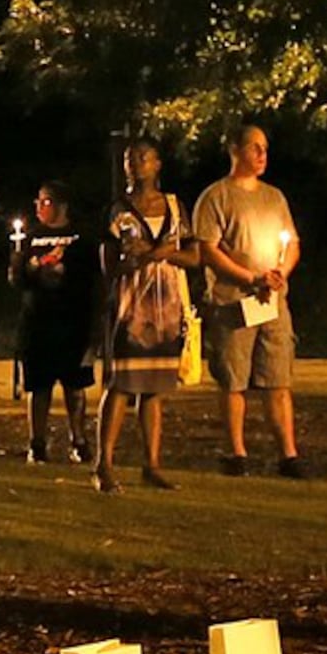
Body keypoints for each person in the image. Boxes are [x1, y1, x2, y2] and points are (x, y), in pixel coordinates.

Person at [191, 121, 304, 477]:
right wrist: (250, 277)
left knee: (278, 378)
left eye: (265, 148)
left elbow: (292, 243)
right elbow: (208, 250)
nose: (262, 154)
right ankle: (236, 452)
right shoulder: (216, 197)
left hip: (272, 302)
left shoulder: (275, 197)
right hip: (232, 303)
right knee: (234, 379)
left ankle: (288, 454)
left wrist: (280, 272)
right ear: (235, 150)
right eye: (255, 147)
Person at [95, 135, 195, 493]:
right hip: (131, 308)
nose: (135, 164)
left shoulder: (174, 207)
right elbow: (108, 266)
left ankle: (152, 464)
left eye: (142, 157)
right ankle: (103, 464)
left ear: (157, 164)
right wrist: (134, 258)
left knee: (155, 387)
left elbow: (194, 257)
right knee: (121, 383)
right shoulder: (118, 210)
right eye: (129, 158)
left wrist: (161, 253)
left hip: (165, 307)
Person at [9, 186, 99, 463]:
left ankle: (79, 439)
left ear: (62, 205)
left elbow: (90, 277)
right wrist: (23, 267)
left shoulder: (81, 238)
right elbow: (18, 281)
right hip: (38, 323)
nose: (39, 207)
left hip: (72, 323)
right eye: (38, 201)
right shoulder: (30, 238)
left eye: (46, 201)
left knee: (75, 386)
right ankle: (37, 442)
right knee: (39, 387)